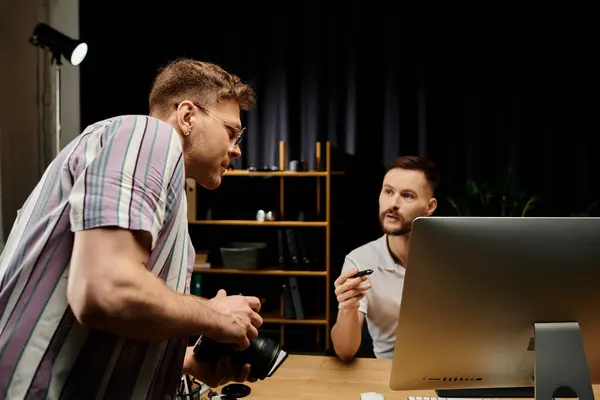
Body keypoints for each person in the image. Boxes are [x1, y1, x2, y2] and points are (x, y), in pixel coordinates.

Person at [0, 58, 263, 399]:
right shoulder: (148, 137)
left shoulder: (168, 192)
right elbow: (105, 292)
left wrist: (184, 363)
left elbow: (108, 326)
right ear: (187, 116)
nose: (236, 148)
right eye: (231, 131)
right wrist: (213, 314)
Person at [330, 156, 440, 361]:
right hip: (387, 373)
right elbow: (344, 352)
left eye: (407, 195)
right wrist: (348, 308)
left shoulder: (450, 256)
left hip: (449, 370)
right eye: (388, 191)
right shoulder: (359, 260)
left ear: (430, 206)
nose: (393, 204)